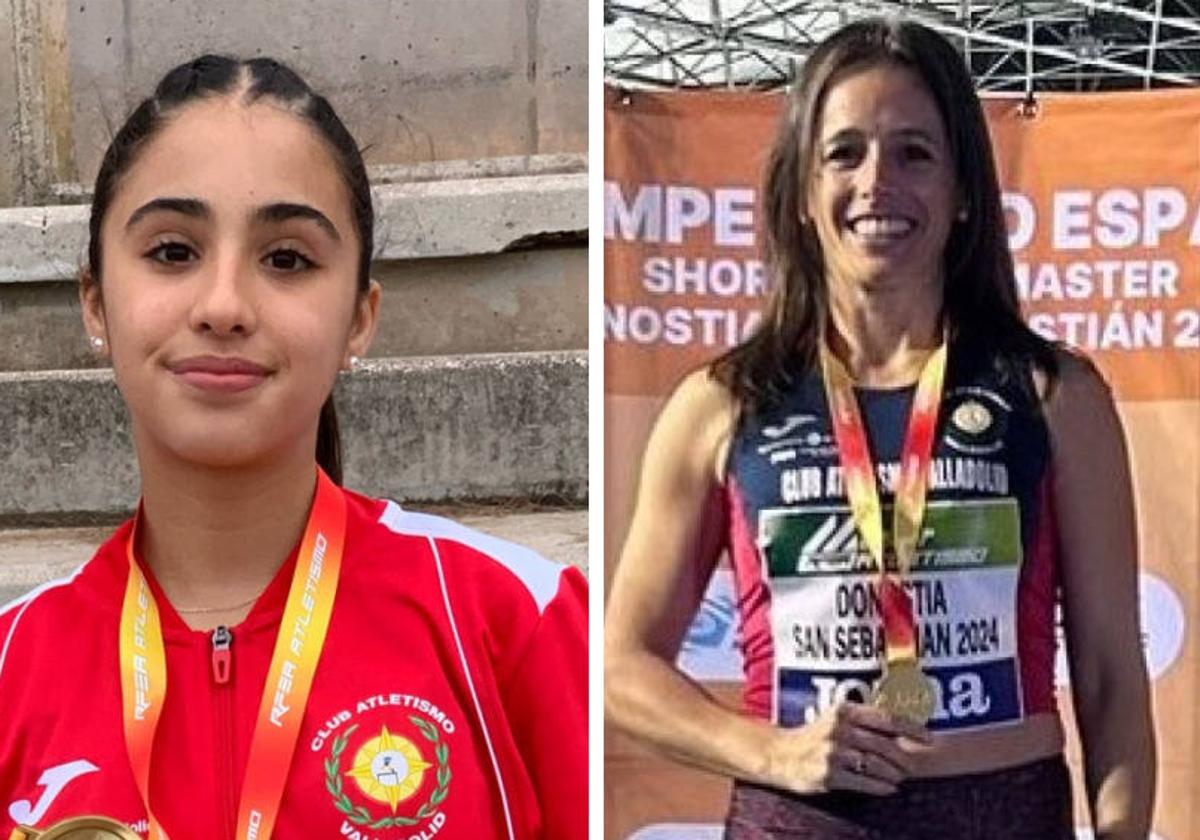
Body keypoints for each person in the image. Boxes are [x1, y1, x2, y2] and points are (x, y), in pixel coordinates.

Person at [0, 55, 586, 840]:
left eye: (287, 259)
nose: (224, 305)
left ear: (359, 319)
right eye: (173, 251)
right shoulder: (14, 668)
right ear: (97, 301)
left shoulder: (515, 618)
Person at [605, 18, 1154, 840]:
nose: (876, 183)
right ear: (798, 191)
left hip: (1003, 813)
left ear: (965, 190)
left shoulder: (1054, 395)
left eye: (914, 154)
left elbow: (1112, 674)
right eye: (844, 152)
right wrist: (767, 750)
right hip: (798, 821)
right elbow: (618, 669)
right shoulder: (720, 405)